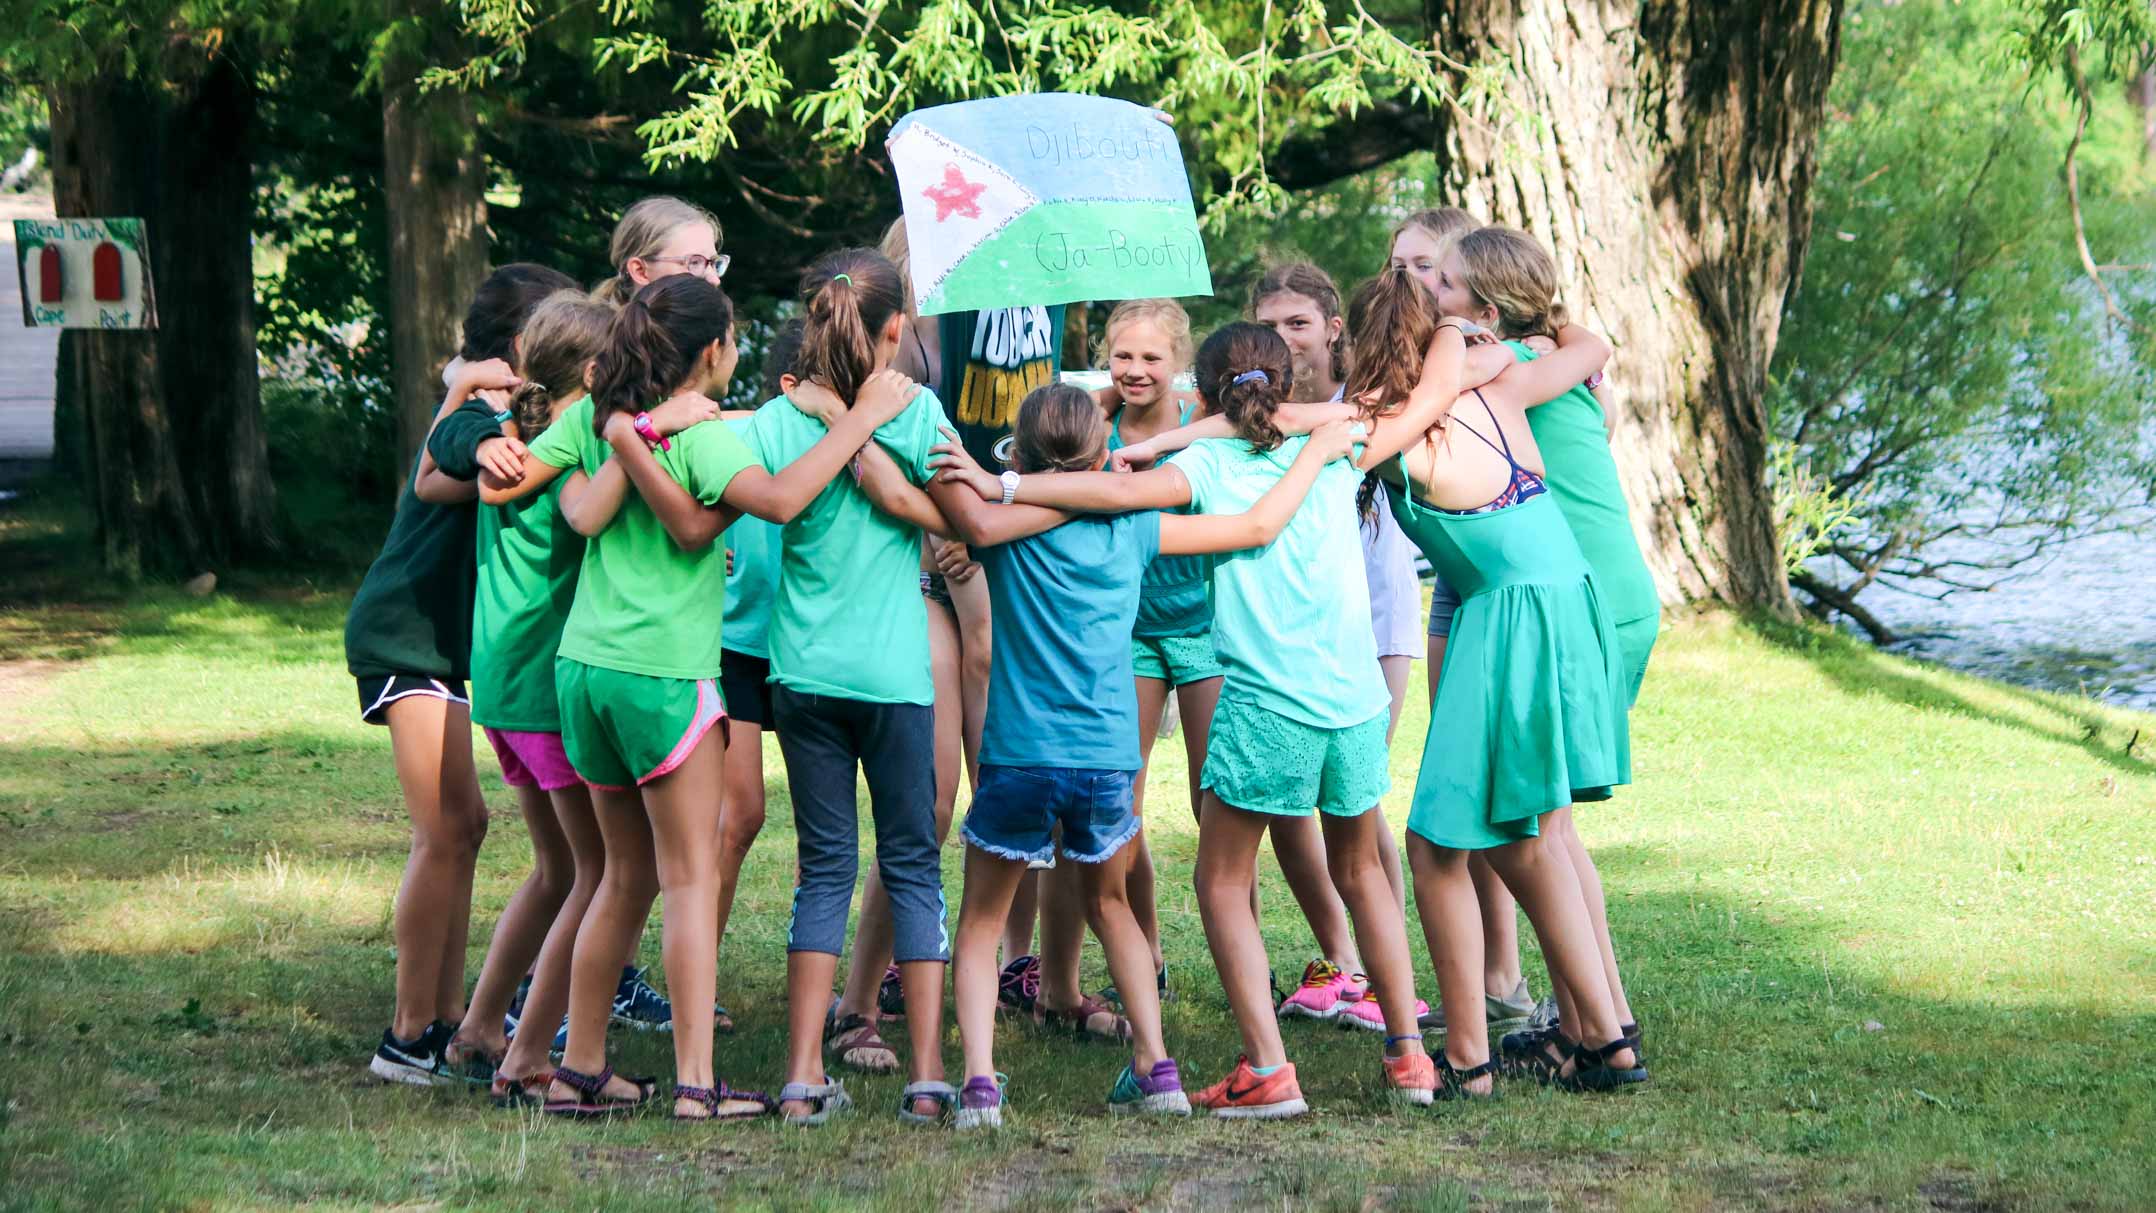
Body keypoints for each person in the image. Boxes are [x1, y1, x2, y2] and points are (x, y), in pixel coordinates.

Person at [941, 324, 1439, 1117]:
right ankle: (1409, 1055)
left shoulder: (1202, 464)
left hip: (1266, 697)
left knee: (1221, 878)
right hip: (1353, 696)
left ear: (1199, 390)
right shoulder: (1343, 443)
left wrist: (1003, 485)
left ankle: (1269, 1068)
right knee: (1364, 867)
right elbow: (1340, 427)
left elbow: (1111, 495)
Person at [481, 272, 908, 1121]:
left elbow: (509, 485)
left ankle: (582, 1066)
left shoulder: (593, 420)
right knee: (686, 880)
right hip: (665, 675)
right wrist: (859, 421)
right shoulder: (700, 440)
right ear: (713, 351)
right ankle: (697, 1086)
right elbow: (783, 502)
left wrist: (485, 437)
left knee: (620, 875)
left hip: (584, 671)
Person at [1343, 265, 1645, 1095]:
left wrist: (1451, 357)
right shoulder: (1498, 385)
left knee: (1446, 840)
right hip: (1564, 600)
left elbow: (1340, 438)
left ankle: (1506, 1053)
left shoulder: (1398, 427)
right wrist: (1479, 351)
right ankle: (1592, 1036)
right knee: (1520, 837)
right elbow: (1583, 349)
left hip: (1509, 619)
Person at [732, 248, 963, 1126]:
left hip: (801, 675)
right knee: (913, 862)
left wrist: (837, 421)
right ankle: (930, 1074)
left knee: (822, 867)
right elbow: (959, 515)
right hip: (895, 678)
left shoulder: (778, 419)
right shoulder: (915, 407)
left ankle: (799, 1075)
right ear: (898, 329)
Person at [1426, 227, 1655, 1073]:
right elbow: (1586, 336)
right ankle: (1598, 1022)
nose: (1422, 290)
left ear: (1484, 308)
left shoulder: (1507, 364)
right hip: (1585, 595)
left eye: (1435, 277)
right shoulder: (1549, 346)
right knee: (1547, 830)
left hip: (1574, 599)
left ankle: (1597, 1031)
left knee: (1538, 828)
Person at [347, 261, 574, 1085]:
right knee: (444, 829)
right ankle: (409, 1030)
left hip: (442, 648)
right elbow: (435, 476)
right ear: (524, 341)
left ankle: (446, 1018)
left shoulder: (503, 407)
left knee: (465, 826)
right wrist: (472, 405)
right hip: (405, 635)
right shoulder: (483, 413)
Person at [419, 290, 617, 1100]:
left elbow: (445, 448)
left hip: (502, 683)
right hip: (543, 686)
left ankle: (478, 1026)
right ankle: (530, 1052)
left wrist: (464, 396)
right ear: (600, 371)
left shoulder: (512, 439)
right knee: (597, 871)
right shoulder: (572, 444)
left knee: (555, 867)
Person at [706, 317, 805, 1035]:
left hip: (810, 650)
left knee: (821, 833)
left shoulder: (858, 446)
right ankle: (695, 977)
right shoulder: (745, 439)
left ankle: (818, 985)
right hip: (737, 648)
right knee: (739, 816)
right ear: (788, 387)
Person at [590, 196, 727, 304]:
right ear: (640, 271)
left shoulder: (715, 335)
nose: (715, 280)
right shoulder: (597, 338)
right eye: (695, 262)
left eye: (715, 263)